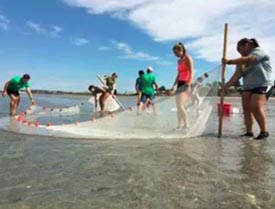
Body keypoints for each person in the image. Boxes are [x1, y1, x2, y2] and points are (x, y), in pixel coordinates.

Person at [222, 38, 273, 140]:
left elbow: (249, 59)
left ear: (248, 45)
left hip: (263, 83)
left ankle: (264, 132)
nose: (240, 52)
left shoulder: (258, 51)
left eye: (240, 49)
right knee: (246, 108)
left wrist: (229, 62)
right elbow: (236, 76)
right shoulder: (241, 61)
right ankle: (249, 132)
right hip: (248, 86)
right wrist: (226, 86)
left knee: (255, 106)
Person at [171, 42, 194, 130]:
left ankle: (186, 125)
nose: (175, 55)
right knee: (178, 106)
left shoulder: (188, 58)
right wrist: (174, 85)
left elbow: (192, 71)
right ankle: (179, 125)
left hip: (186, 83)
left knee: (181, 105)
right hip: (180, 82)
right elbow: (179, 74)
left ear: (181, 50)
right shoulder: (179, 61)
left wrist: (189, 82)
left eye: (176, 53)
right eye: (174, 53)